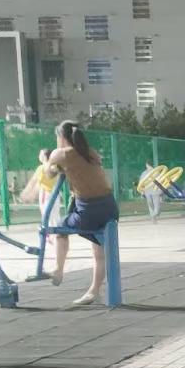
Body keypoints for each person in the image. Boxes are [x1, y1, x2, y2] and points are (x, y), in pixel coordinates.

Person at [47, 121, 120, 307]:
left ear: (61, 137)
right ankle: (94, 291)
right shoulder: (91, 153)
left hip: (88, 211)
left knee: (60, 228)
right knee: (99, 252)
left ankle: (58, 270)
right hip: (110, 207)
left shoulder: (60, 154)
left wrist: (48, 162)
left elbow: (49, 174)